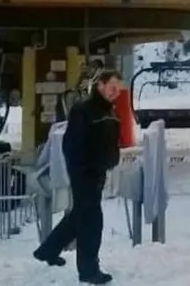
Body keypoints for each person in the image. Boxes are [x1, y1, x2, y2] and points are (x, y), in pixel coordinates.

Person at [33, 69, 123, 284]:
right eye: (112, 87)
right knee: (92, 221)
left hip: (98, 171)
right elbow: (72, 145)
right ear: (100, 85)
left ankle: (48, 250)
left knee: (80, 215)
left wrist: (110, 161)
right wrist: (82, 169)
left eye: (118, 89)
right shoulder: (84, 110)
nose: (115, 92)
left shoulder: (109, 110)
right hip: (85, 173)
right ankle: (89, 270)